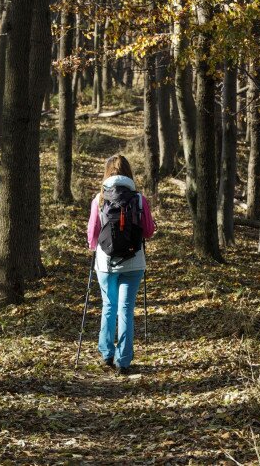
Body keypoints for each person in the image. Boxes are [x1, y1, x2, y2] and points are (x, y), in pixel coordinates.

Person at [87, 155, 156, 375]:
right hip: (134, 261)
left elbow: (92, 234)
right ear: (129, 173)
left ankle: (106, 353)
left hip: (105, 263)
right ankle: (123, 360)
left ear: (107, 173)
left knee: (109, 306)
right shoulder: (139, 199)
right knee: (126, 309)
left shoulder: (99, 199)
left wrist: (95, 248)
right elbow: (148, 231)